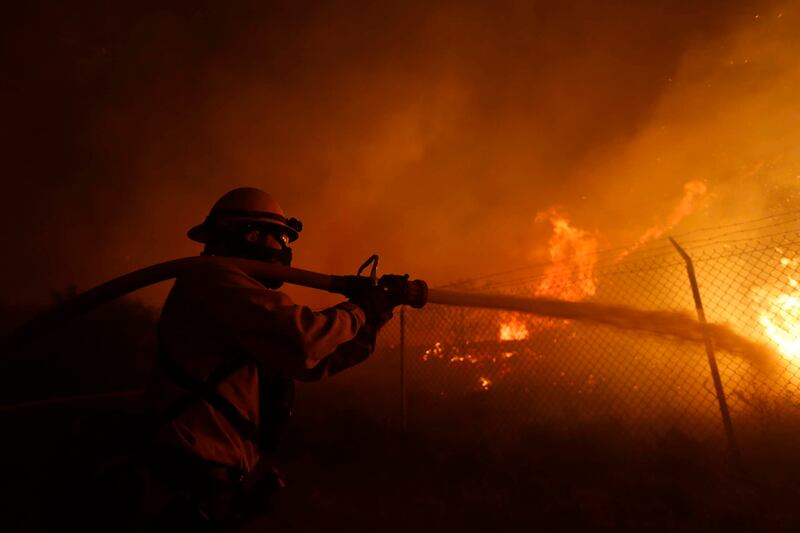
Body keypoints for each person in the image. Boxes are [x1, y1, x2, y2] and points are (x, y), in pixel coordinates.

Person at [132, 187, 393, 530]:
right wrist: (358, 310)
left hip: (211, 478)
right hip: (187, 471)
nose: (285, 251)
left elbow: (309, 362)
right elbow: (305, 338)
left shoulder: (232, 298)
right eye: (282, 238)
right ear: (251, 234)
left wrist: (372, 319)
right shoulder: (213, 278)